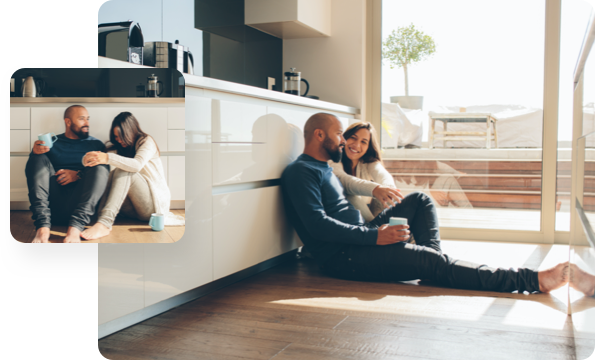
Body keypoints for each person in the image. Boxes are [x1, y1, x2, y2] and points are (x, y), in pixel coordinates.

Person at [281, 112, 576, 295]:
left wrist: (374, 231)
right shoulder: (300, 172)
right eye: (337, 135)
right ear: (319, 135)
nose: (343, 142)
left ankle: (429, 263)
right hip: (343, 257)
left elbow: (356, 187)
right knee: (432, 263)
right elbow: (317, 226)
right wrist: (375, 236)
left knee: (420, 200)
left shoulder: (326, 168)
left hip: (360, 237)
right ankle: (531, 280)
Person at [80, 112, 173, 240]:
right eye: (116, 137)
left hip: (152, 207)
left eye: (121, 136)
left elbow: (136, 165)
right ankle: (99, 218)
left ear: (131, 131)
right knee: (106, 169)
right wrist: (86, 160)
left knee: (123, 170)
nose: (118, 140)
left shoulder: (146, 141)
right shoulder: (118, 148)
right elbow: (100, 165)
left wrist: (107, 157)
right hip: (129, 210)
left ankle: (105, 223)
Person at [25, 105, 109, 243]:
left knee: (100, 164)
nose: (87, 123)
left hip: (82, 209)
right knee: (37, 158)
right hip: (52, 209)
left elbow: (102, 177)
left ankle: (75, 229)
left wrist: (78, 174)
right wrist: (35, 152)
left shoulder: (96, 145)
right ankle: (42, 228)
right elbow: (34, 171)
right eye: (82, 119)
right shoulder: (52, 143)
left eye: (88, 119)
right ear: (68, 122)